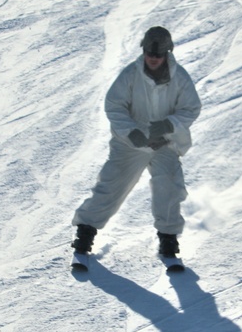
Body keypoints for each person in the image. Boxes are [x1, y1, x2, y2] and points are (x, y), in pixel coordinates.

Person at [72, 26, 202, 259]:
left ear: (167, 54)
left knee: (170, 186)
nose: (153, 59)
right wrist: (131, 132)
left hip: (166, 141)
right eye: (149, 54)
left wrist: (169, 124)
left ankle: (168, 238)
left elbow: (191, 108)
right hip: (132, 141)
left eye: (158, 54)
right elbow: (114, 105)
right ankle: (86, 230)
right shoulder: (130, 75)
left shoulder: (179, 78)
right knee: (112, 183)